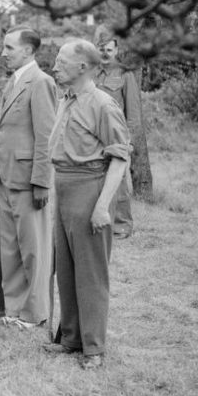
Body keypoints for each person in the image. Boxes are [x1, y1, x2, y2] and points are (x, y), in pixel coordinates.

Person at [43, 39, 130, 370]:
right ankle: (71, 339)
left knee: (91, 274)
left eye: (62, 61)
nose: (55, 65)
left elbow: (120, 159)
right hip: (63, 186)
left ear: (82, 67)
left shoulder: (103, 105)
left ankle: (93, 348)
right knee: (66, 270)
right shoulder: (66, 98)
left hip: (89, 187)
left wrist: (102, 207)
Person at [0, 26, 56, 328]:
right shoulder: (14, 81)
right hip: (5, 177)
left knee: (33, 250)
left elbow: (46, 136)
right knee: (10, 248)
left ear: (27, 50)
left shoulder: (40, 82)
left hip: (28, 181)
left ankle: (35, 312)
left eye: (9, 48)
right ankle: (13, 309)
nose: (3, 53)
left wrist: (41, 181)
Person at [93, 25, 149, 238]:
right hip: (93, 136)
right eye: (101, 49)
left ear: (116, 51)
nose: (105, 54)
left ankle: (122, 225)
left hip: (117, 136)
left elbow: (134, 112)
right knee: (97, 178)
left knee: (119, 182)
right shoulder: (91, 73)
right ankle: (101, 220)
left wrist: (131, 141)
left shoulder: (125, 75)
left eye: (109, 49)